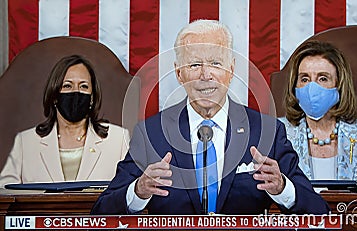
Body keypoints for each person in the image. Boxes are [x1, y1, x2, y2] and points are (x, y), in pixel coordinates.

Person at [91, 20, 329, 215]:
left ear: (232, 69)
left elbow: (320, 212)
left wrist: (282, 188)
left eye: (216, 63)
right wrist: (139, 191)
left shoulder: (266, 130)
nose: (205, 75)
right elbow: (101, 212)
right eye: (194, 64)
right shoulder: (151, 133)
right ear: (179, 73)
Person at [0, 55, 130, 187]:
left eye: (84, 86)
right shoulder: (26, 142)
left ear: (92, 98)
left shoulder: (118, 139)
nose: (76, 92)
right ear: (55, 95)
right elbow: (5, 193)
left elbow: (130, 193)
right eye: (67, 86)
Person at [279, 40, 357, 180]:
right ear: (295, 86)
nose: (312, 88)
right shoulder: (278, 133)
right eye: (305, 79)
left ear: (339, 85)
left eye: (323, 78)